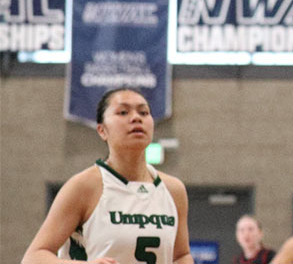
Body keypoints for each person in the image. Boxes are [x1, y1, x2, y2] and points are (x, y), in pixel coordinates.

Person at [21, 87, 194, 264]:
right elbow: (33, 258)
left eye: (144, 112)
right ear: (102, 130)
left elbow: (181, 255)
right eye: (123, 112)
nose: (136, 118)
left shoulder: (173, 190)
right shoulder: (84, 186)